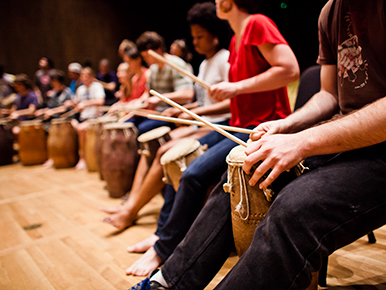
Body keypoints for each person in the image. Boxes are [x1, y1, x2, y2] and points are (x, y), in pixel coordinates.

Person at [130, 0, 386, 289]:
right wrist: (288, 124)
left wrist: (302, 140)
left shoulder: (257, 24)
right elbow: (329, 94)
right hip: (342, 135)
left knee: (293, 209)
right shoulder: (331, 11)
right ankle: (168, 282)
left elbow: (287, 70)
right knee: (243, 172)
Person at [126, 0, 299, 277]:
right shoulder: (235, 40)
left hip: (262, 127)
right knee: (177, 160)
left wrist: (234, 88)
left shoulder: (257, 23)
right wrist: (222, 96)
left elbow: (290, 70)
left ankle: (163, 248)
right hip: (239, 124)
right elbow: (236, 94)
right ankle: (164, 235)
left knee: (193, 175)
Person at [100, 2, 232, 235]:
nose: (195, 42)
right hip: (204, 121)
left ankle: (135, 213)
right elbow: (202, 100)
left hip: (220, 123)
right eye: (194, 36)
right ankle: (131, 204)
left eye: (200, 36)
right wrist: (183, 109)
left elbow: (231, 103)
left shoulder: (224, 59)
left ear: (215, 36)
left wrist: (194, 111)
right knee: (155, 146)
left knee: (164, 151)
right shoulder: (204, 64)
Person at [133, 31, 194, 136]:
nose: (145, 60)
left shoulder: (176, 64)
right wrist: (136, 103)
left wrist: (160, 98)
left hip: (175, 114)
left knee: (142, 128)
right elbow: (148, 93)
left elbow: (188, 94)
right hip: (160, 113)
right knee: (132, 123)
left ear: (158, 50)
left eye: (147, 56)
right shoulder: (153, 68)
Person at [69, 67, 105, 170]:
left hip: (95, 118)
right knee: (73, 124)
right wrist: (74, 105)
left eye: (87, 75)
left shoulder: (97, 86)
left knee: (81, 129)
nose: (84, 78)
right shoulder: (80, 89)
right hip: (83, 118)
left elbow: (100, 101)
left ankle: (83, 159)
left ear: (92, 77)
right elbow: (78, 105)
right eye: (83, 75)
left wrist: (85, 104)